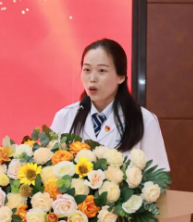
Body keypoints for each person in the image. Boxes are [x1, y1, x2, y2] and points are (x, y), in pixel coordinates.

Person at [49, 38, 170, 172]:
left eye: (102, 71)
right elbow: (48, 170)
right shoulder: (65, 116)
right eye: (87, 69)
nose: (92, 78)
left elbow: (158, 177)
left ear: (121, 77)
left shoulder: (144, 120)